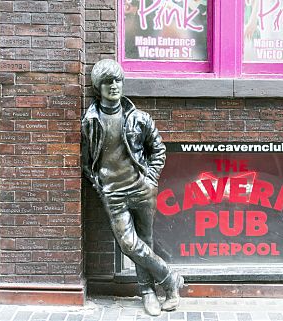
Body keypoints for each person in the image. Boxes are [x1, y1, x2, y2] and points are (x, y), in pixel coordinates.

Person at [81, 59, 184, 316]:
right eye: (107, 81)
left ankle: (149, 293)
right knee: (129, 244)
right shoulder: (90, 121)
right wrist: (100, 185)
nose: (114, 85)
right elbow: (85, 162)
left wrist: (150, 179)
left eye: (117, 80)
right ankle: (170, 278)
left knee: (144, 242)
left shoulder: (139, 118)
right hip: (113, 193)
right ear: (98, 87)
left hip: (141, 189)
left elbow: (158, 149)